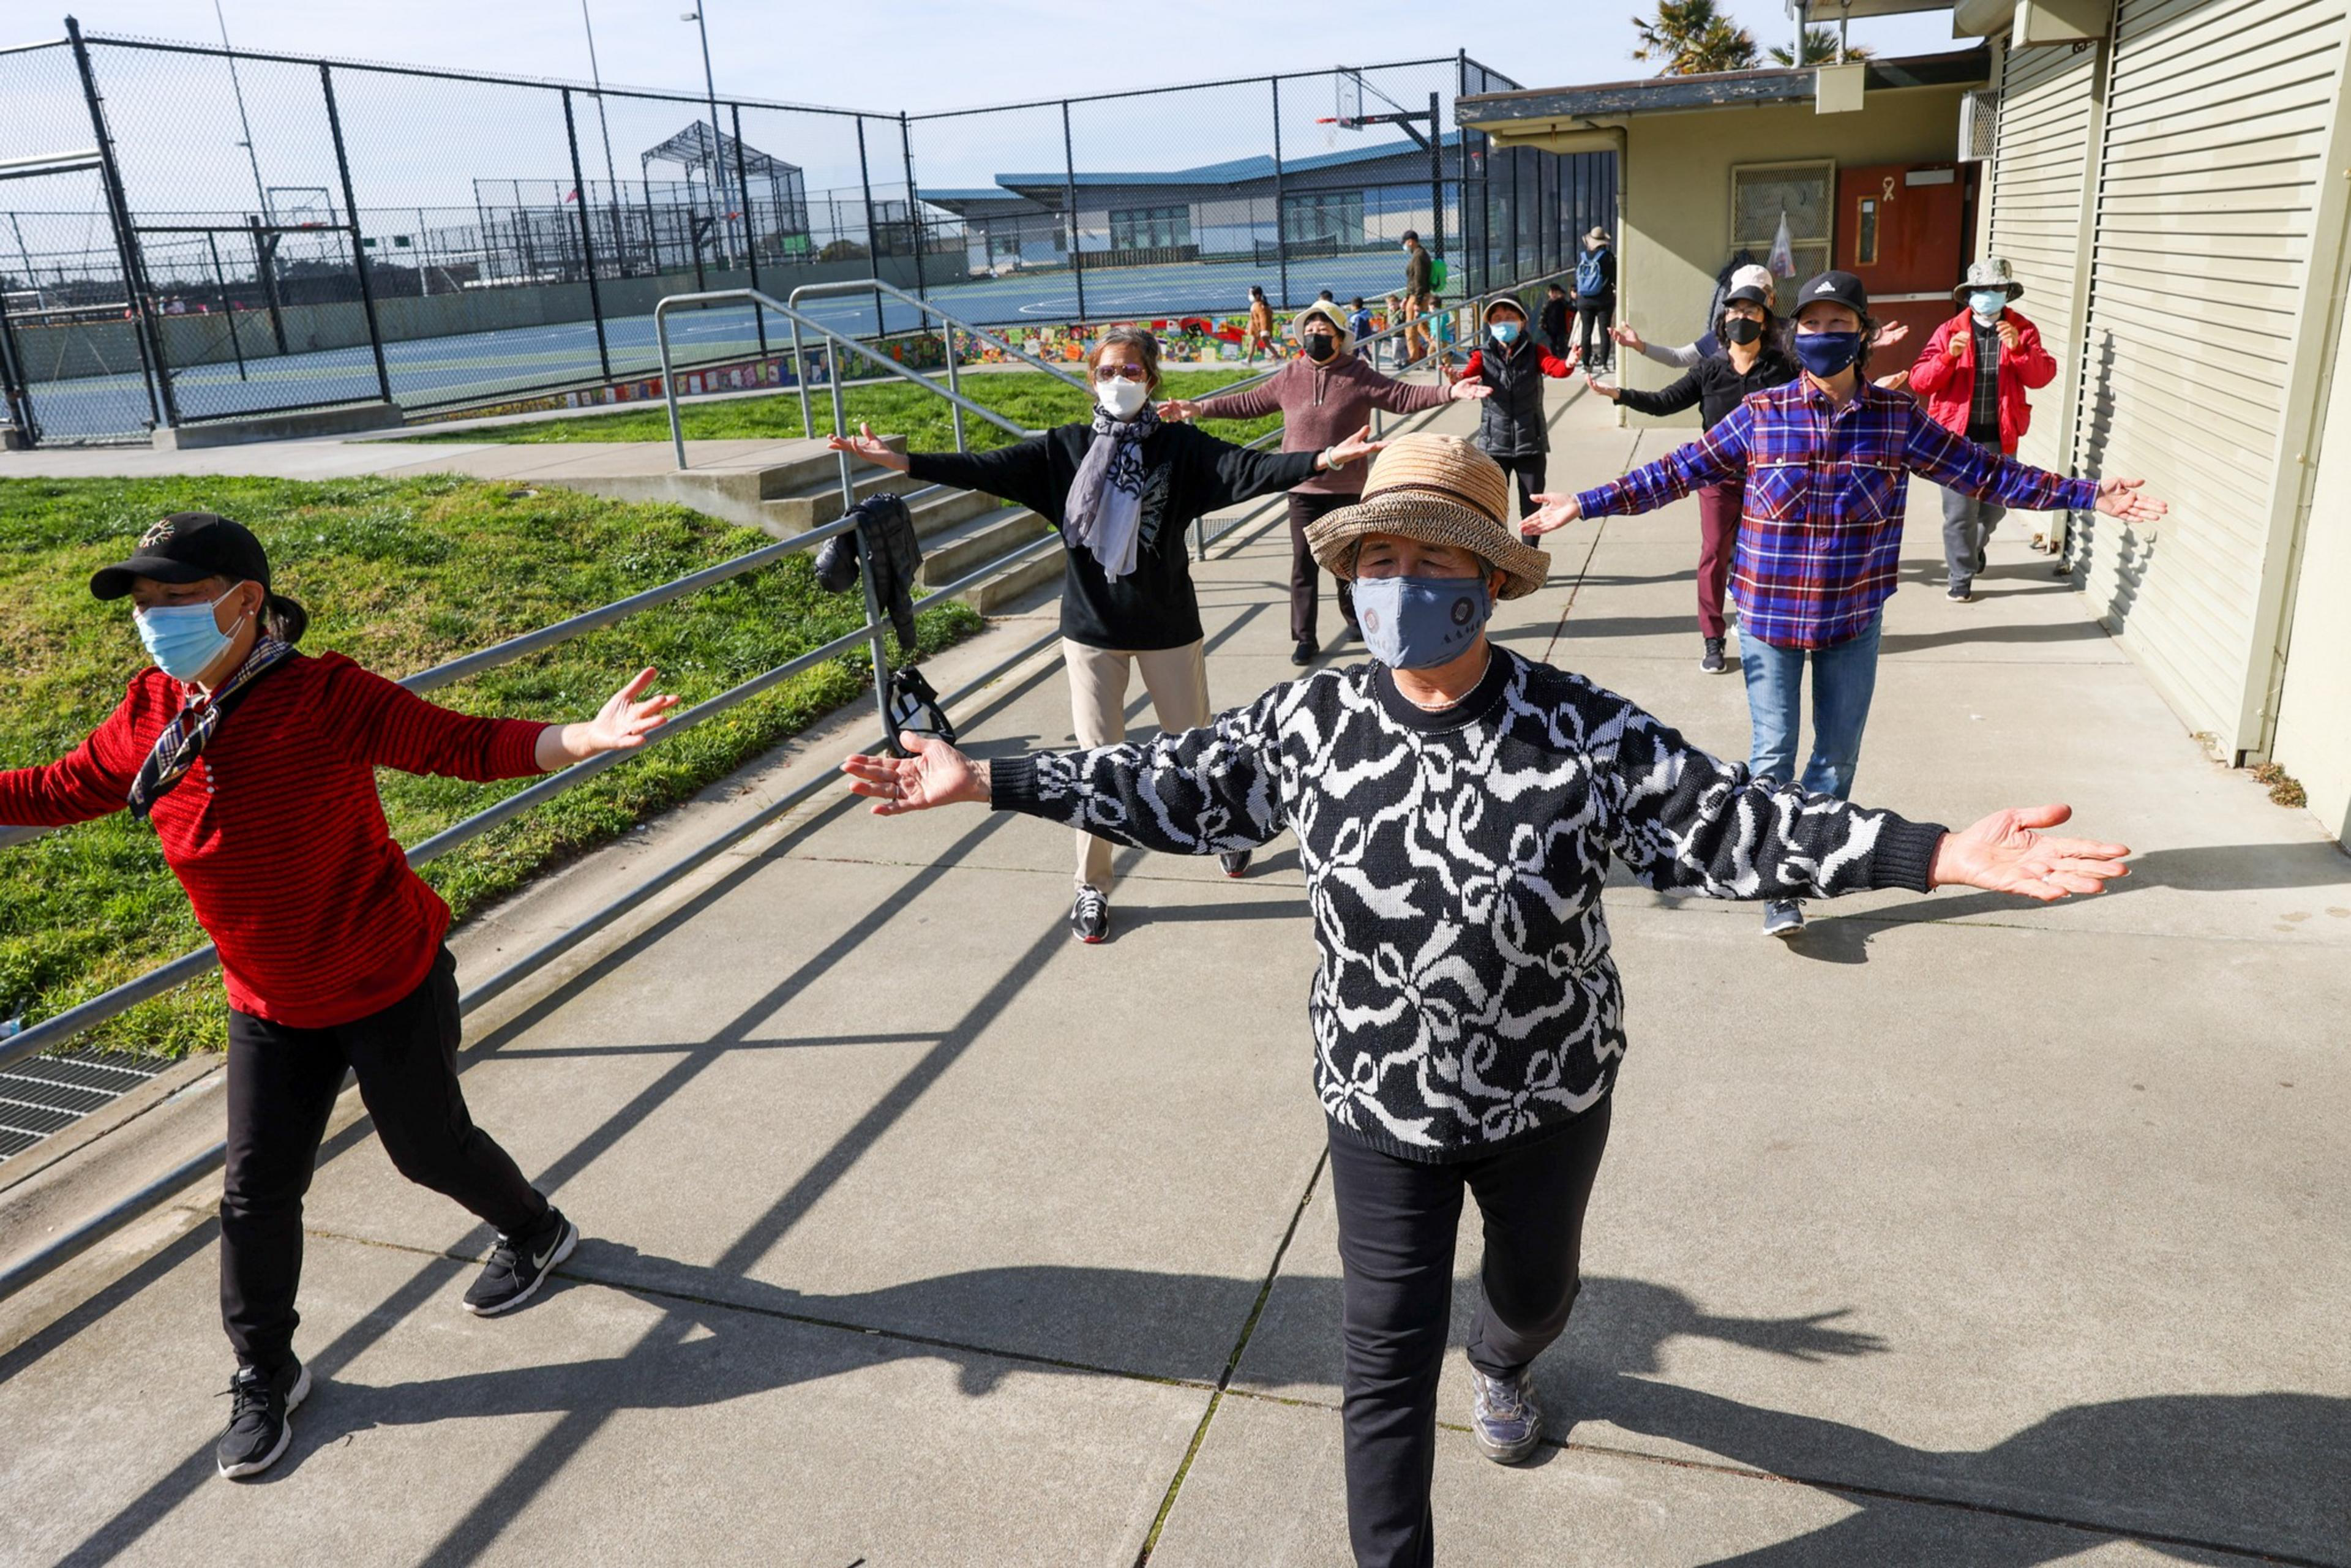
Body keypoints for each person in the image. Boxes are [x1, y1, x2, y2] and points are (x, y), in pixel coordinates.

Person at [840, 432, 2135, 1568]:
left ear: (1488, 580)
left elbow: (1736, 822)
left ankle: (1508, 1360)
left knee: (1536, 1295)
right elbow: (1168, 782)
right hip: (1379, 1104)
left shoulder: (1583, 731)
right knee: (1381, 1363)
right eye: (1378, 558)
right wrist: (988, 776)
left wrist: (1934, 852)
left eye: (1432, 558)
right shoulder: (1310, 721)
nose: (1400, 582)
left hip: (1549, 1094)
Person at [0, 512, 680, 1481]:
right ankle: (265, 1371)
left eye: (176, 599)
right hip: (269, 1002)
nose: (154, 620)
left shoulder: (325, 695)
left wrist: (579, 737)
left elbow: (460, 743)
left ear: (246, 602)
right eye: (143, 604)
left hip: (384, 977)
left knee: (428, 1149)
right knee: (255, 1193)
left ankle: (536, 1230)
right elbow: (63, 787)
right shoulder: (153, 712)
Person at [1523, 271, 2165, 938]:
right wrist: (1584, 503)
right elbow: (1675, 471)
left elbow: (1986, 472)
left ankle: (1802, 865)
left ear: (1862, 334)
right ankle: (1773, 883)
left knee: (1835, 757)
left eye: (1839, 324)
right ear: (1794, 334)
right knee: (1773, 754)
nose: (1823, 335)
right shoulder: (1763, 414)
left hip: (1852, 617)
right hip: (1770, 615)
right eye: (1812, 324)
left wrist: (2089, 494)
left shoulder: (1896, 420)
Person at [827, 325, 1382, 944]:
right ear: (1092, 378)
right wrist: (903, 463)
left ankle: (1225, 832)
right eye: (1108, 371)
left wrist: (1324, 460)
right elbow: (986, 469)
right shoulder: (1063, 451)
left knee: (1197, 748)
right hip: (1092, 633)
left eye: (1132, 371)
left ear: (1152, 380)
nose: (1119, 381)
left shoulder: (1178, 447)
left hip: (1169, 629)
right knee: (1094, 764)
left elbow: (1248, 467)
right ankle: (1091, 886)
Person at [1160, 299, 1490, 666]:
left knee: (1349, 563)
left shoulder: (1358, 374)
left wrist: (1450, 392)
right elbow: (1249, 403)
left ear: (1339, 337)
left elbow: (1402, 396)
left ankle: (1357, 621)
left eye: (1323, 331)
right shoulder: (1290, 375)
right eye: (1310, 331)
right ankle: (1305, 638)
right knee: (1303, 565)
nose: (1315, 337)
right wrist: (1199, 408)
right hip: (1303, 490)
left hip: (1348, 489)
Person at [1583, 282, 1796, 672]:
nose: (1741, 318)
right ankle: (1713, 638)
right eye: (1734, 312)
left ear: (1765, 321)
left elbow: (1817, 392)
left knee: (1768, 556)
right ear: (1724, 320)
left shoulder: (1783, 367)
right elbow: (1664, 402)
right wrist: (1620, 395)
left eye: (1750, 312)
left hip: (1768, 480)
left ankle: (1759, 625)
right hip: (1718, 480)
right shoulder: (1710, 369)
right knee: (1714, 554)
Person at [1905, 257, 2058, 602]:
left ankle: (1972, 550)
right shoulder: (1949, 331)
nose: (1989, 294)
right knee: (1959, 513)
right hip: (1956, 439)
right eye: (1982, 289)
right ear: (1970, 294)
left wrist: (2019, 349)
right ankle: (1960, 578)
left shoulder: (2022, 329)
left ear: (2007, 293)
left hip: (2001, 435)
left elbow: (2042, 377)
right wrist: (1947, 357)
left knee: (1996, 506)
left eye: (1996, 288)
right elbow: (1920, 381)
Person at [1616, 262, 1910, 375]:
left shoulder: (1792, 331)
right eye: (1739, 305)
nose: (1745, 312)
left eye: (1757, 299)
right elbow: (1680, 358)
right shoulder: (1722, 336)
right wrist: (1640, 346)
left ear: (1771, 300)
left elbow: (1827, 351)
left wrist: (1864, 341)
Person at [1455, 295, 1578, 539]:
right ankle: (1499, 558)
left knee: (1532, 509)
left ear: (1522, 322)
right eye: (1497, 319)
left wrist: (1569, 363)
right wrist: (1457, 379)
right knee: (1493, 510)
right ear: (1490, 324)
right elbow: (1468, 376)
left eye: (1510, 318)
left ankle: (1528, 559)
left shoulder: (1535, 352)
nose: (1503, 323)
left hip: (1530, 443)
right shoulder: (1482, 355)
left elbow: (1555, 368)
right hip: (1494, 445)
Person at [1572, 226, 1616, 372]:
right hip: (1604, 300)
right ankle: (1603, 364)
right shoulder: (1608, 257)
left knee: (1586, 332)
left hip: (1584, 300)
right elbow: (1614, 278)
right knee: (1605, 331)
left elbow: (1577, 277)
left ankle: (1586, 364)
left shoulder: (1582, 257)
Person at [1400, 231, 1433, 366]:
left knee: (1411, 328)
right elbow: (1413, 280)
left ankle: (1414, 358)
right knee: (1421, 326)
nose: (1405, 246)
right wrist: (1406, 298)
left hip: (1418, 296)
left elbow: (1419, 280)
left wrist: (1417, 301)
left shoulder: (1419, 256)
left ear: (1410, 242)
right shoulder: (1419, 254)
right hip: (1416, 295)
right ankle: (1438, 348)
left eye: (1405, 243)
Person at [1539, 280, 1571, 362]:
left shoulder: (1562, 303)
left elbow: (1570, 308)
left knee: (1562, 344)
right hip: (1551, 329)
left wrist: (1563, 299)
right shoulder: (1548, 304)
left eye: (1556, 293)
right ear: (1549, 294)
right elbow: (1543, 315)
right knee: (1552, 344)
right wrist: (1542, 324)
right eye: (1552, 293)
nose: (1554, 295)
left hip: (1562, 328)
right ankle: (1555, 358)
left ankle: (1563, 358)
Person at [1245, 284, 1277, 367]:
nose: (1249, 296)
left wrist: (1264, 331)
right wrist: (1248, 327)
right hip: (1257, 329)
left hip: (1259, 329)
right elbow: (1252, 318)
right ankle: (1278, 357)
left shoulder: (1260, 306)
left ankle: (1249, 360)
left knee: (1256, 343)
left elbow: (1263, 319)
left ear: (1257, 295)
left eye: (1250, 294)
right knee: (1263, 343)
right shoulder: (1257, 305)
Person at [1346, 296, 1376, 360]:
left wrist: (1355, 338)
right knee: (1359, 349)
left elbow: (1358, 329)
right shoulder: (1365, 313)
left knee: (1361, 349)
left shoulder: (1358, 317)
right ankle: (1356, 360)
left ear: (1355, 306)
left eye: (1351, 306)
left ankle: (1370, 360)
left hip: (1361, 336)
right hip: (1365, 334)